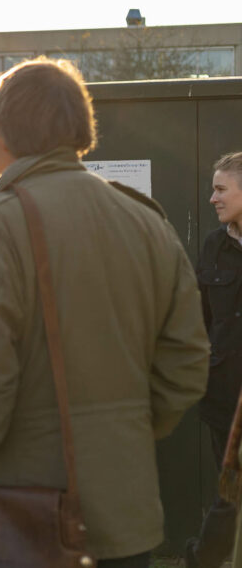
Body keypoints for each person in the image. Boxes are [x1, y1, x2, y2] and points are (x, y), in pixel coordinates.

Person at [0, 57, 209, 567]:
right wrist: (124, 433)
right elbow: (188, 362)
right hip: (127, 513)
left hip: (21, 516)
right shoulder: (147, 223)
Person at [188, 152, 242, 567]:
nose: (212, 198)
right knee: (229, 493)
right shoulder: (213, 245)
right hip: (224, 401)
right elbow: (202, 320)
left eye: (221, 189)